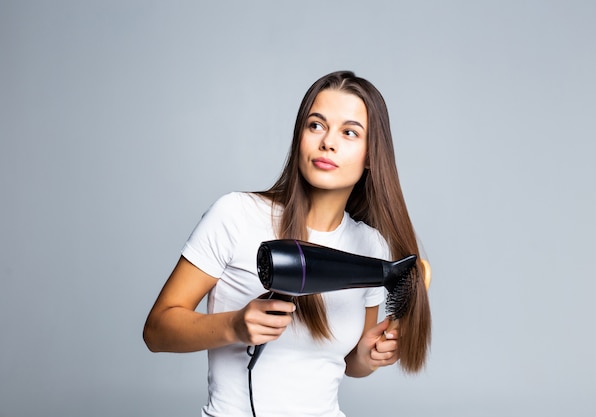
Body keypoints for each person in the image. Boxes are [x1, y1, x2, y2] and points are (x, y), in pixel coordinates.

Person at [143, 70, 431, 417]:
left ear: (371, 156)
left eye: (349, 132)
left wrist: (367, 357)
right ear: (300, 137)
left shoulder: (371, 248)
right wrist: (234, 326)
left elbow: (347, 364)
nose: (328, 142)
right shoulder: (236, 215)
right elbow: (156, 331)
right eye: (316, 125)